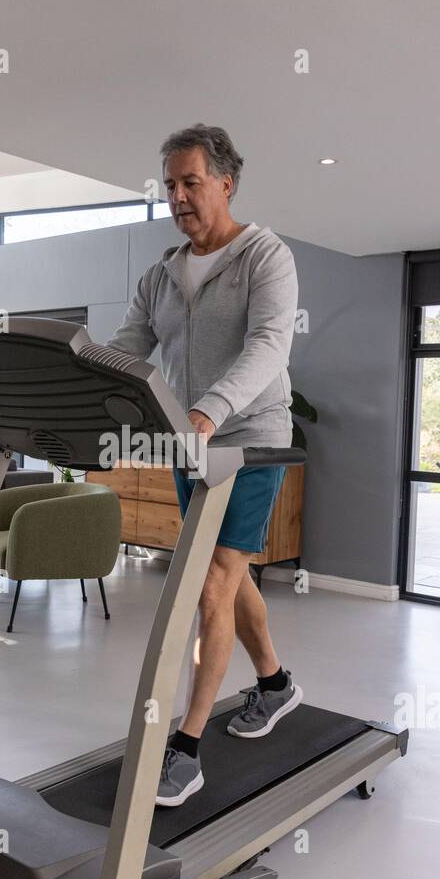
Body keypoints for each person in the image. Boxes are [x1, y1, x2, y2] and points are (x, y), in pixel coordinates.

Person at [106, 123, 302, 807]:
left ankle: (185, 749)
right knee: (228, 569)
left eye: (191, 182)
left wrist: (209, 411)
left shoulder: (263, 256)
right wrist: (80, 392)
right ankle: (274, 684)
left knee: (210, 582)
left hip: (248, 437)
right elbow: (127, 351)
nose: (178, 196)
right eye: (169, 185)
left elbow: (269, 346)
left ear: (226, 181)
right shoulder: (160, 274)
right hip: (190, 442)